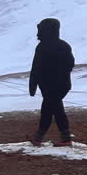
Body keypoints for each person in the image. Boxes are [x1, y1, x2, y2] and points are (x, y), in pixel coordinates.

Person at [29, 18, 75, 147]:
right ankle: (58, 138)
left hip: (52, 87)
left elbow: (36, 68)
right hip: (61, 86)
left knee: (48, 110)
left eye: (40, 30)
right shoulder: (64, 45)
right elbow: (70, 64)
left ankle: (40, 138)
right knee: (55, 109)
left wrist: (33, 86)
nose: (38, 34)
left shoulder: (42, 47)